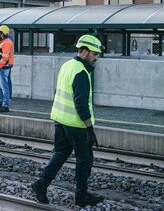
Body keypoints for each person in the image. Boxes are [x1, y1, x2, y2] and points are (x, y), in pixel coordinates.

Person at [31, 35, 105, 208]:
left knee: (60, 154)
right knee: (84, 160)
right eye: (95, 54)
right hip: (76, 124)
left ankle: (41, 184)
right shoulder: (81, 72)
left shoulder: (67, 65)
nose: (96, 58)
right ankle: (81, 196)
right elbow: (80, 103)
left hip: (60, 119)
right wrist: (90, 129)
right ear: (85, 52)